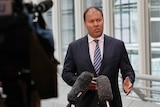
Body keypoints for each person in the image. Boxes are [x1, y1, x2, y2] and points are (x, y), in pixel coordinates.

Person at [62, 6, 135, 107]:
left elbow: (128, 70)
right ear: (85, 24)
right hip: (84, 103)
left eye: (98, 20)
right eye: (91, 21)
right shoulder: (74, 47)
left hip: (111, 103)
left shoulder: (117, 45)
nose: (96, 24)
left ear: (103, 20)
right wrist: (82, 83)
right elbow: (66, 74)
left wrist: (129, 80)